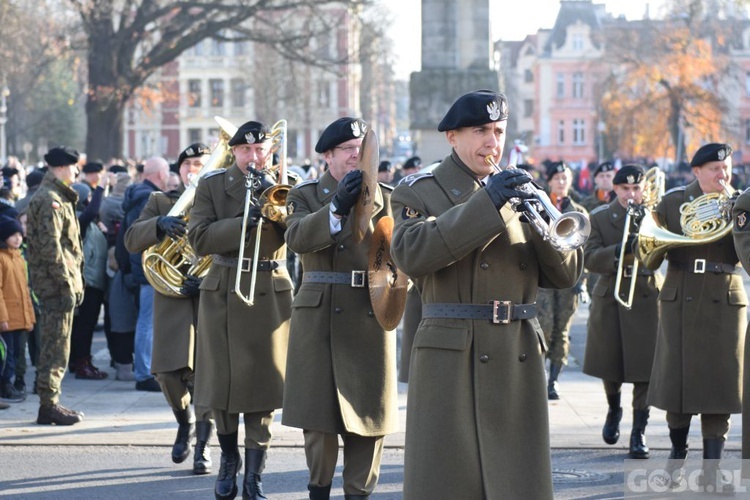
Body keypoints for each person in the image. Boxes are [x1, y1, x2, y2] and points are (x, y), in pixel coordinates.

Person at [390, 90, 583, 499]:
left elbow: (564, 275)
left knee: (516, 482)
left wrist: (543, 221)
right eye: (480, 131)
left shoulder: (519, 189)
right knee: (449, 480)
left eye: (498, 130)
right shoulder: (418, 190)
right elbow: (412, 254)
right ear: (452, 137)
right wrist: (488, 204)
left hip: (516, 351)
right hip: (452, 355)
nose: (492, 142)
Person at [283, 117, 398, 499]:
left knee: (369, 417)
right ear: (328, 155)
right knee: (319, 421)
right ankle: (318, 489)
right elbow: (297, 238)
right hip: (320, 316)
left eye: (361, 149)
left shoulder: (387, 196)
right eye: (348, 150)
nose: (356, 156)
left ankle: (359, 492)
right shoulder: (305, 195)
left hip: (371, 310)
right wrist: (336, 208)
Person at [188, 121, 294, 499]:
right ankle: (229, 459)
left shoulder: (287, 183)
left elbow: (302, 236)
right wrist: (243, 222)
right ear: (234, 151)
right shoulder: (213, 184)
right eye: (246, 151)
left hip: (269, 290)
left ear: (270, 151)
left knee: (264, 388)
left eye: (260, 150)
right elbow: (198, 239)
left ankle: (254, 475)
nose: (253, 157)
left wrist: (282, 209)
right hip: (225, 290)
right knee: (223, 384)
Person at [646, 143, 744, 493]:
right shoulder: (673, 202)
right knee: (678, 382)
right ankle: (677, 455)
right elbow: (649, 256)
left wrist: (740, 219)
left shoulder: (741, 203)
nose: (723, 174)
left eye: (727, 167)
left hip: (725, 295)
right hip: (680, 292)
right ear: (697, 172)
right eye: (715, 168)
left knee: (721, 382)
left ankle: (713, 469)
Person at [126, 142, 215, 475]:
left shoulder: (218, 203)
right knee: (167, 373)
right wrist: (159, 225)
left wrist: (206, 279)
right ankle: (184, 422)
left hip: (207, 297)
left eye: (200, 164)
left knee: (205, 377)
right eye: (188, 164)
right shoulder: (159, 201)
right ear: (178, 171)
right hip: (171, 299)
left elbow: (234, 249)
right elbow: (131, 240)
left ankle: (203, 447)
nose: (193, 169)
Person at [582, 164, 661, 459]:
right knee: (610, 363)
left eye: (636, 188)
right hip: (611, 297)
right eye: (625, 189)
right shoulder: (600, 217)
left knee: (645, 370)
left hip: (646, 295)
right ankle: (614, 408)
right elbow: (589, 259)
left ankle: (638, 431)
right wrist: (619, 250)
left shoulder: (654, 217)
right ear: (615, 189)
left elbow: (664, 253)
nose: (631, 194)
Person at [26, 146, 85, 425]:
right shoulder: (50, 200)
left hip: (60, 284)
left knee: (58, 344)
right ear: (62, 167)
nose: (77, 171)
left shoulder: (58, 197)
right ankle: (48, 404)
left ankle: (51, 401)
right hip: (56, 286)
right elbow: (52, 250)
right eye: (75, 166)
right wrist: (66, 284)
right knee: (54, 345)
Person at [536, 161, 588, 400]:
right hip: (544, 281)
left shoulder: (578, 211)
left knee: (562, 331)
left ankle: (553, 380)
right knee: (543, 328)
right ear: (549, 182)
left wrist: (581, 279)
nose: (561, 182)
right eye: (557, 178)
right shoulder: (539, 207)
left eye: (565, 178)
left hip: (568, 281)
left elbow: (583, 249)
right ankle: (538, 375)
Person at [123, 157, 171, 392]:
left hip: (142, 266)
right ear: (161, 175)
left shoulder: (137, 192)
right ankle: (143, 373)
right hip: (148, 267)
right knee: (147, 322)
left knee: (147, 321)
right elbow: (139, 234)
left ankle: (145, 370)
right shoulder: (146, 196)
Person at [0, 214, 35, 402]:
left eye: (19, 235)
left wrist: (29, 317)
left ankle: (12, 383)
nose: (18, 238)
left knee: (19, 354)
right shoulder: (2, 258)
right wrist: (2, 317)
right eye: (13, 235)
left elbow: (25, 290)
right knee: (7, 355)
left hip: (20, 318)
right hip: (7, 319)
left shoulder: (20, 258)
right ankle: (5, 385)